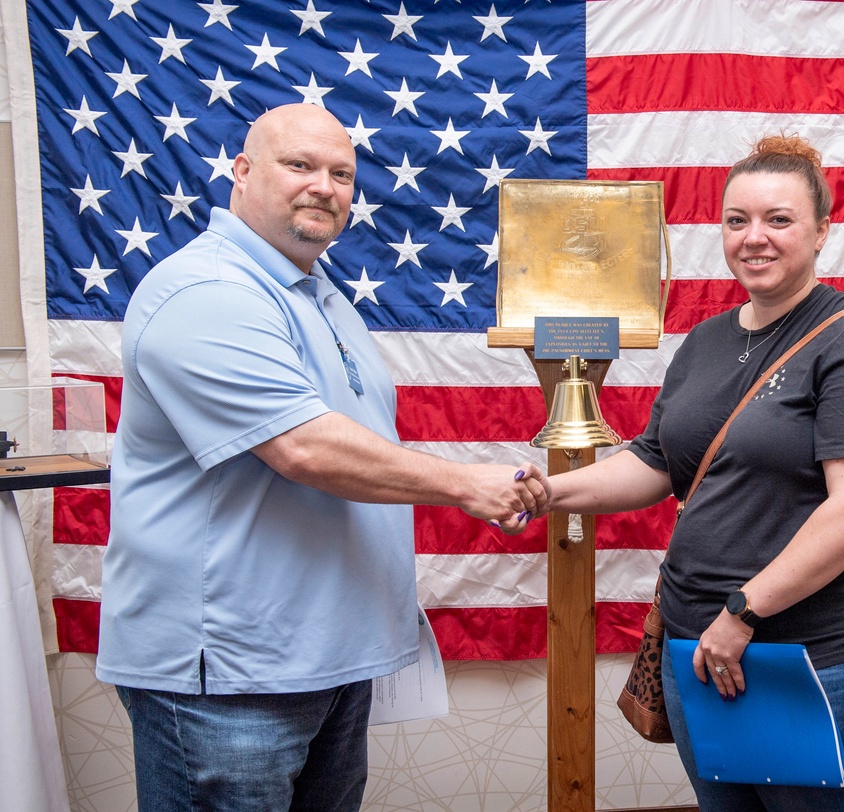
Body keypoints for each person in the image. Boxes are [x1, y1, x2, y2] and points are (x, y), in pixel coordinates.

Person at [95, 103, 549, 812]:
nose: (325, 187)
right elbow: (303, 446)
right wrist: (466, 484)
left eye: (342, 173)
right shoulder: (208, 290)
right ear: (241, 173)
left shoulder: (314, 290)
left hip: (321, 660)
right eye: (300, 165)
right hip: (232, 677)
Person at [543, 134, 844, 810]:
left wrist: (743, 612)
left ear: (823, 231)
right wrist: (549, 491)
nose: (755, 238)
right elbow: (655, 461)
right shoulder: (708, 340)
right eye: (737, 220)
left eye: (779, 220)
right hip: (699, 650)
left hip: (814, 659)